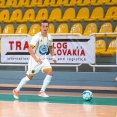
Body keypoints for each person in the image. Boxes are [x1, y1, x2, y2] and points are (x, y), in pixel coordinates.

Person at [13, 20, 57, 99]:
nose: (45, 28)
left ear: (48, 27)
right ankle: (16, 90)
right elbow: (29, 49)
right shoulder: (36, 37)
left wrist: (53, 56)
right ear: (40, 27)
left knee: (50, 72)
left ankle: (42, 91)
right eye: (43, 26)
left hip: (43, 59)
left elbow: (51, 47)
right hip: (35, 60)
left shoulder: (50, 37)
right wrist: (36, 59)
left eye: (46, 26)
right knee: (29, 77)